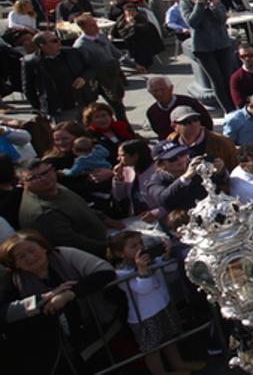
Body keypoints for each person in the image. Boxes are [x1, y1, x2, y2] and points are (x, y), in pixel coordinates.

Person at [0, 230, 120, 372]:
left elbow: (106, 272)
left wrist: (69, 294)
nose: (29, 257)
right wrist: (47, 297)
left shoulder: (64, 255)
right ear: (15, 264)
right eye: (20, 256)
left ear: (43, 248)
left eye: (31, 250)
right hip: (51, 350)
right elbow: (4, 311)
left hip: (97, 331)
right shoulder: (12, 281)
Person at [107, 231, 201, 375]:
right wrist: (143, 271)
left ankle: (178, 364)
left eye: (140, 243)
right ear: (121, 254)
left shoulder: (152, 260)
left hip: (163, 306)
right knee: (153, 349)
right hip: (145, 316)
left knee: (169, 338)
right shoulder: (121, 274)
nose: (140, 248)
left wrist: (166, 256)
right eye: (133, 246)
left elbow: (171, 269)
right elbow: (143, 289)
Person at [16, 158, 119, 256]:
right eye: (32, 178)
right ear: (21, 184)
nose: (43, 179)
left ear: (52, 170)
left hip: (106, 238)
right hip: (93, 256)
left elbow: (80, 206)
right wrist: (114, 249)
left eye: (45, 173)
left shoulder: (52, 186)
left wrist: (105, 219)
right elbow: (75, 245)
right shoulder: (42, 212)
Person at [180, 0, 238, 112]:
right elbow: (192, 22)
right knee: (217, 80)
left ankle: (235, 104)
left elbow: (222, 19)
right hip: (203, 47)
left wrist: (215, 6)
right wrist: (199, 5)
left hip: (222, 43)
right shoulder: (185, 2)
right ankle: (228, 110)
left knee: (227, 77)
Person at [75, 13, 141, 121]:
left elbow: (116, 53)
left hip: (111, 75)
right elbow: (85, 66)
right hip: (97, 79)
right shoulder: (81, 45)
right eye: (91, 25)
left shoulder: (101, 37)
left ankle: (124, 128)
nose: (96, 26)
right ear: (83, 28)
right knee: (95, 108)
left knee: (118, 105)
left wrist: (133, 65)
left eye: (95, 23)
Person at [22, 31, 97, 121]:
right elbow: (28, 87)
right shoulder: (31, 61)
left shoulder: (72, 53)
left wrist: (83, 78)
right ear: (42, 45)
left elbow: (91, 68)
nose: (59, 42)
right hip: (59, 107)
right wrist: (39, 108)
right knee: (65, 132)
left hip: (82, 101)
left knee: (88, 131)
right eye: (54, 41)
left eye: (58, 39)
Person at [145, 140, 226, 216]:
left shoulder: (197, 166)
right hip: (182, 222)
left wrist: (220, 171)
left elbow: (220, 182)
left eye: (182, 154)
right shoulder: (157, 180)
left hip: (211, 215)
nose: (180, 160)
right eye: (172, 159)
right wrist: (185, 177)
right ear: (161, 165)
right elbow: (164, 200)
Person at [166, 106, 237, 170]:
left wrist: (221, 171)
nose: (193, 124)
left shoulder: (222, 143)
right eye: (186, 122)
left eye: (195, 119)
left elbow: (236, 171)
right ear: (174, 126)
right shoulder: (170, 143)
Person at [145, 76, 212, 141]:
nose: (159, 93)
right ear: (150, 92)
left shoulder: (190, 103)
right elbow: (161, 134)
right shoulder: (152, 112)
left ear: (171, 88)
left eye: (162, 89)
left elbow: (207, 124)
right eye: (155, 91)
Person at [111, 139, 159, 219]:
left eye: (122, 155)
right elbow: (120, 196)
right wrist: (118, 178)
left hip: (159, 216)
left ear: (135, 156)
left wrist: (155, 213)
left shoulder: (157, 171)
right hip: (137, 217)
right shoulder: (127, 170)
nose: (118, 159)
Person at [111, 1, 164, 69]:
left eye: (132, 10)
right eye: (128, 11)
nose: (130, 12)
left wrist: (132, 23)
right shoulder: (121, 18)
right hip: (123, 38)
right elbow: (115, 27)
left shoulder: (141, 18)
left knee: (140, 44)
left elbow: (143, 28)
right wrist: (110, 34)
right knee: (110, 44)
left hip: (136, 40)